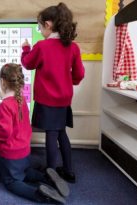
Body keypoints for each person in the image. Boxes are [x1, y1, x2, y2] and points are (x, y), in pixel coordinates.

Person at [0, 63, 69, 204]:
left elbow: (4, 131)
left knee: (11, 181)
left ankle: (40, 195)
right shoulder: (21, 99)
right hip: (24, 150)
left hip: (10, 152)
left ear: (2, 82)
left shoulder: (4, 106)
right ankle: (47, 178)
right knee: (24, 172)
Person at [21, 2, 85, 183]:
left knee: (51, 134)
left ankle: (50, 173)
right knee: (61, 132)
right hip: (64, 99)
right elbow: (79, 74)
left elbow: (28, 63)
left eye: (40, 27)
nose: (40, 30)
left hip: (47, 99)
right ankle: (69, 170)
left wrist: (26, 49)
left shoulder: (42, 46)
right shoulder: (73, 47)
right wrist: (68, 81)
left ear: (48, 25)